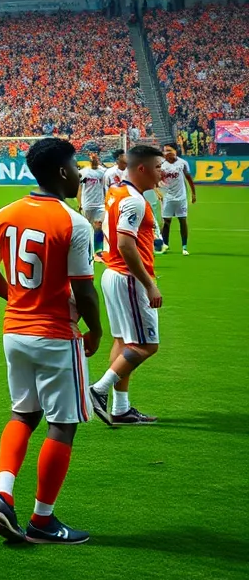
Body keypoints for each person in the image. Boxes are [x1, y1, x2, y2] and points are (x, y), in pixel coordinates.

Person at [0, 136, 101, 546]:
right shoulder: (74, 222)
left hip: (15, 332)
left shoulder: (6, 212)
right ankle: (42, 520)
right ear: (62, 172)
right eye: (76, 166)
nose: (80, 173)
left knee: (22, 415)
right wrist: (95, 330)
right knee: (62, 425)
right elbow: (84, 290)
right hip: (55, 335)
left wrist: (16, 296)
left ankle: (3, 495)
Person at [90, 144, 165, 427]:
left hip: (113, 274)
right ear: (142, 168)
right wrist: (149, 284)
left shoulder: (117, 191)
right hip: (129, 278)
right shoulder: (133, 200)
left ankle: (121, 408)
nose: (162, 173)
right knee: (148, 345)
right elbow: (125, 244)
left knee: (124, 342)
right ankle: (98, 390)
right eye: (158, 167)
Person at [158, 143, 196, 255]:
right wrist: (158, 191)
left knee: (182, 220)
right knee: (166, 222)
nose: (167, 153)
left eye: (169, 150)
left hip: (181, 197)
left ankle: (184, 247)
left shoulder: (183, 163)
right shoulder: (162, 165)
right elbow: (156, 179)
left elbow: (189, 178)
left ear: (175, 151)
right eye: (165, 151)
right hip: (167, 197)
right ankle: (165, 245)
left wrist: (193, 193)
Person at [77, 153, 107, 257]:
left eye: (95, 159)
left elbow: (105, 187)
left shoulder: (103, 172)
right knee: (88, 227)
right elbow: (79, 188)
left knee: (99, 225)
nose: (94, 161)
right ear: (89, 161)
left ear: (98, 160)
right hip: (87, 204)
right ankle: (87, 249)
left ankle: (98, 252)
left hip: (100, 204)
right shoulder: (83, 172)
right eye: (92, 159)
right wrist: (79, 203)